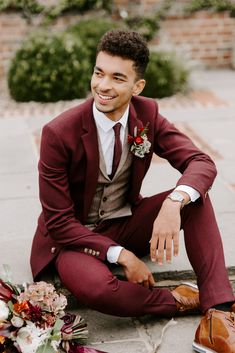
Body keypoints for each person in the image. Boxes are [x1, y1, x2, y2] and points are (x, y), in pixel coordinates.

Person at [30, 29, 235, 353]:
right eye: (99, 73)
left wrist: (173, 202)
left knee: (195, 198)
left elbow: (199, 161)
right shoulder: (58, 133)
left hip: (123, 221)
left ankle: (218, 314)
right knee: (97, 289)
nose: (103, 86)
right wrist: (121, 255)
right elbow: (58, 224)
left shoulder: (147, 115)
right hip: (72, 239)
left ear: (137, 86)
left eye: (117, 77)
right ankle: (177, 299)